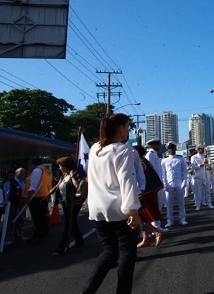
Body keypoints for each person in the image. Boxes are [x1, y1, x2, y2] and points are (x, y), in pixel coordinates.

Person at [81, 113, 141, 294]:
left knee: (109, 251)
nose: (128, 131)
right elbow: (127, 181)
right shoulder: (124, 150)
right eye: (128, 127)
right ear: (121, 128)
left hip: (97, 208)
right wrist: (133, 210)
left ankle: (87, 290)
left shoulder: (94, 149)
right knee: (127, 255)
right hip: (119, 209)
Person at [51, 156, 85, 255]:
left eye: (60, 166)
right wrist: (47, 195)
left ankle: (61, 246)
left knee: (69, 223)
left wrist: (73, 177)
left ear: (65, 166)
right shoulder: (63, 175)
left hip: (74, 203)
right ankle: (79, 240)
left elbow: (78, 187)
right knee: (72, 222)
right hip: (65, 202)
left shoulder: (75, 174)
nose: (59, 168)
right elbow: (57, 186)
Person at [132, 145, 166, 247]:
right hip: (148, 192)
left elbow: (140, 179)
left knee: (141, 216)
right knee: (143, 215)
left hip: (145, 193)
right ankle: (146, 239)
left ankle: (156, 232)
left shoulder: (141, 162)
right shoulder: (143, 161)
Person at [161, 141, 188, 226]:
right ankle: (170, 220)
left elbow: (184, 171)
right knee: (169, 204)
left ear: (175, 149)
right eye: (169, 149)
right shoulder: (164, 160)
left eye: (172, 148)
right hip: (169, 184)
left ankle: (182, 219)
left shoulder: (181, 159)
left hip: (179, 183)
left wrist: (184, 182)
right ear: (167, 150)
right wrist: (164, 184)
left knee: (181, 202)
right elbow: (163, 173)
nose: (171, 150)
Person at [26, 157, 52, 242]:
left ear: (34, 164)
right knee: (43, 216)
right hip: (45, 195)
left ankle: (38, 235)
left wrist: (29, 196)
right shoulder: (47, 171)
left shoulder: (37, 171)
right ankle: (44, 233)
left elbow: (33, 184)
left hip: (37, 196)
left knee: (37, 217)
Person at [3, 168, 27, 243]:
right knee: (11, 219)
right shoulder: (10, 182)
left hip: (22, 202)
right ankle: (8, 237)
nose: (22, 175)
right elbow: (6, 193)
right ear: (16, 173)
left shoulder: (25, 181)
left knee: (21, 219)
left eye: (23, 173)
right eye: (21, 173)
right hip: (12, 203)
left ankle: (19, 235)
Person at [191, 144, 214, 210]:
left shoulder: (205, 156)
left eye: (203, 149)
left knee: (208, 191)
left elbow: (209, 166)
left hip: (206, 176)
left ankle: (209, 204)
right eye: (201, 149)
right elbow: (193, 167)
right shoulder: (194, 157)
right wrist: (201, 165)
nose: (203, 150)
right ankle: (198, 205)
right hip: (198, 176)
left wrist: (208, 164)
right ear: (198, 150)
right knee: (198, 192)